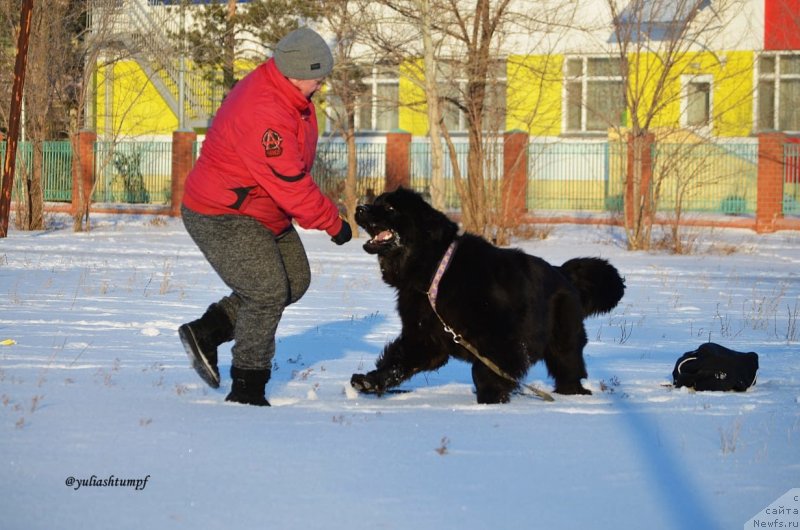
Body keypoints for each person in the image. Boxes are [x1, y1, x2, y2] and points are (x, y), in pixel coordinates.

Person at [178, 27, 352, 406]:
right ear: (296, 72)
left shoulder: (291, 96)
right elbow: (290, 181)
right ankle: (247, 388)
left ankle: (208, 331)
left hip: (261, 207)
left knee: (295, 280)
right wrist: (332, 222)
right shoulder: (265, 112)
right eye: (318, 77)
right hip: (223, 212)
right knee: (267, 291)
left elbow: (291, 173)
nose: (322, 85)